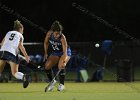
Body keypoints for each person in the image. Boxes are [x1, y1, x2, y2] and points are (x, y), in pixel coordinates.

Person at [0, 19, 30, 88]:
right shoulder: (20, 35)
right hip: (12, 53)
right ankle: (24, 76)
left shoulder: (8, 32)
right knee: (15, 73)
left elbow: (2, 43)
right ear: (20, 29)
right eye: (23, 30)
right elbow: (21, 46)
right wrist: (26, 57)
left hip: (3, 52)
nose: (23, 31)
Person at [44, 20, 71, 91]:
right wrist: (46, 53)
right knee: (47, 67)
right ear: (52, 31)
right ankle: (52, 82)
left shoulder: (62, 38)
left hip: (65, 52)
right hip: (55, 52)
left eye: (59, 33)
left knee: (60, 66)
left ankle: (62, 85)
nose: (57, 35)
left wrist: (64, 61)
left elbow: (65, 52)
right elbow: (45, 43)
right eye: (56, 33)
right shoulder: (49, 34)